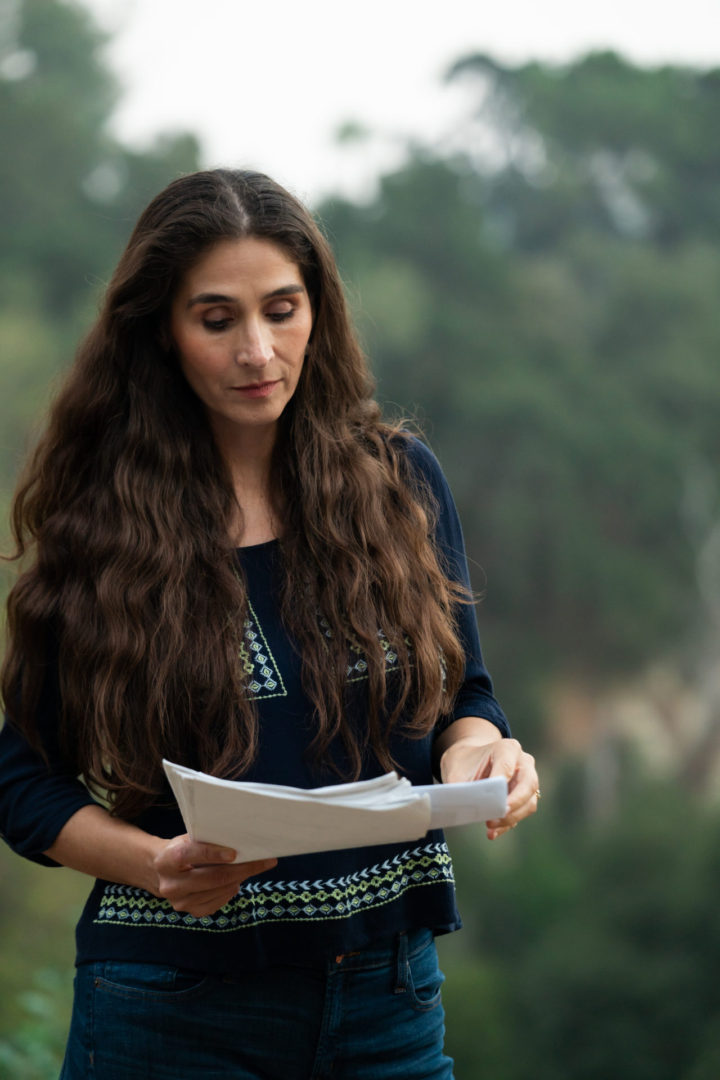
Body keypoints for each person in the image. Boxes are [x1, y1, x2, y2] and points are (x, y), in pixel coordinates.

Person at [0, 168, 538, 1079]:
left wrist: (479, 754)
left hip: (389, 1005)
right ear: (163, 335)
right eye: (218, 320)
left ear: (317, 313)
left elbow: (464, 695)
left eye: (282, 310)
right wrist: (154, 863)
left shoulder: (398, 483)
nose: (258, 349)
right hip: (169, 1013)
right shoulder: (98, 522)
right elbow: (21, 780)